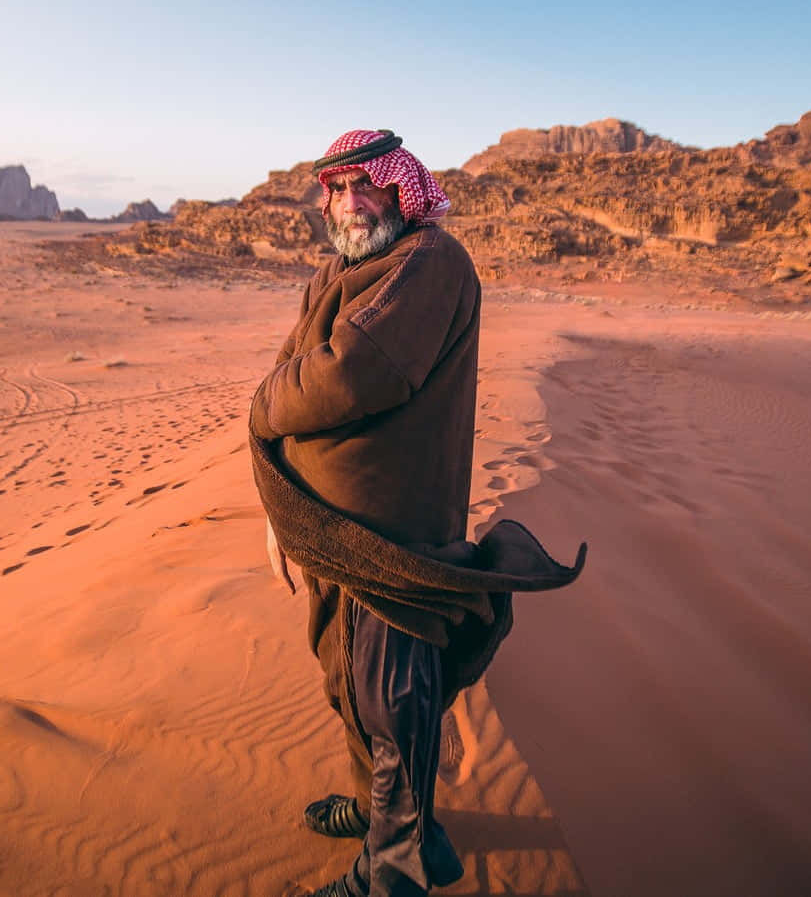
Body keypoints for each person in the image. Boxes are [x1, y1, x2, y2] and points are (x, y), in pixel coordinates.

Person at [249, 130, 585, 897]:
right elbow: (291, 367)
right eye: (334, 189)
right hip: (332, 529)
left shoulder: (429, 263)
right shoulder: (340, 272)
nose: (349, 201)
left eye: (365, 184)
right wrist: (283, 502)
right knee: (348, 681)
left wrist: (258, 410)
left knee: (392, 694)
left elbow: (350, 374)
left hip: (391, 532)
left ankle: (392, 870)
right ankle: (393, 823)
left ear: (403, 188)